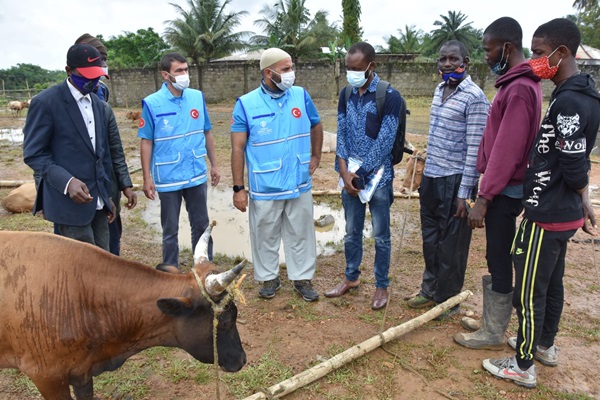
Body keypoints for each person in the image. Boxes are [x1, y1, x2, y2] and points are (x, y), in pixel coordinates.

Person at [483, 18, 600, 389]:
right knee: (552, 283)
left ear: (560, 53)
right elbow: (579, 155)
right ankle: (544, 345)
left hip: (547, 211)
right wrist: (583, 200)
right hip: (563, 211)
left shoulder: (567, 101)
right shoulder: (585, 96)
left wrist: (584, 194)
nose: (534, 61)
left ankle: (522, 364)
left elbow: (573, 159)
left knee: (531, 288)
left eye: (538, 52)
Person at [453, 17, 542, 349]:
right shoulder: (517, 84)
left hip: (505, 192)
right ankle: (494, 320)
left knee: (499, 257)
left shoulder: (518, 89)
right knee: (497, 255)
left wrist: (484, 198)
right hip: (503, 189)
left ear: (507, 48)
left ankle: (493, 332)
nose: (486, 56)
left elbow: (506, 150)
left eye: (489, 50)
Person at [230, 48, 323, 302]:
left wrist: (315, 156)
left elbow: (316, 123)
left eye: (291, 67)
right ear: (268, 73)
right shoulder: (246, 104)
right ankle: (269, 278)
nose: (291, 73)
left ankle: (302, 278)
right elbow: (237, 147)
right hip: (265, 185)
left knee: (301, 232)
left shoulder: (301, 96)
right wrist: (239, 188)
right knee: (264, 234)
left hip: (298, 181)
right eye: (285, 69)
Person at [406, 40, 489, 319]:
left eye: (453, 59)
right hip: (431, 177)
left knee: (451, 245)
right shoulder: (439, 90)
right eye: (442, 59)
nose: (447, 64)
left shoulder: (475, 97)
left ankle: (448, 300)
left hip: (456, 182)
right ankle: (428, 290)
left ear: (467, 62)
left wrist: (464, 193)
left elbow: (474, 148)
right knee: (430, 239)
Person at [323, 41, 401, 310]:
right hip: (350, 178)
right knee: (351, 231)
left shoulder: (389, 96)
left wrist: (361, 173)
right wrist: (344, 172)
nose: (351, 73)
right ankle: (351, 277)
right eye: (348, 68)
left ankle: (381, 285)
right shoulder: (346, 94)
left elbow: (386, 140)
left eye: (357, 68)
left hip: (378, 178)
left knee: (381, 235)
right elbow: (341, 133)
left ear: (371, 66)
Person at [23, 44, 115, 249]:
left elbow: (102, 154)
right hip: (70, 203)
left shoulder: (99, 106)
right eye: (87, 75)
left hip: (98, 202)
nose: (94, 81)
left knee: (105, 263)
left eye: (97, 76)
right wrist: (67, 182)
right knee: (81, 269)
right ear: (68, 71)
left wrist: (106, 195)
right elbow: (34, 154)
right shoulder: (46, 103)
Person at [138, 52, 220, 268]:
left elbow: (207, 132)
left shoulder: (196, 97)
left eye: (186, 69)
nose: (185, 74)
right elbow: (146, 142)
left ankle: (204, 267)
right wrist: (147, 178)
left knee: (201, 225)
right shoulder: (152, 103)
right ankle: (170, 269)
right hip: (168, 177)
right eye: (179, 71)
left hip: (195, 173)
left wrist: (214, 165)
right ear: (166, 75)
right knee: (170, 228)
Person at [75, 33, 138, 256]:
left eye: (104, 59)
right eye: (99, 58)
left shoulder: (101, 93)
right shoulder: (55, 102)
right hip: (76, 188)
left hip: (106, 183)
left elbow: (114, 148)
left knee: (110, 244)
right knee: (79, 250)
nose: (103, 64)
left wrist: (124, 183)